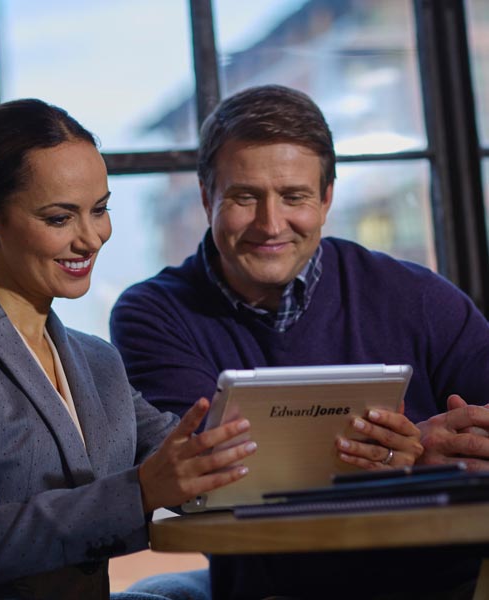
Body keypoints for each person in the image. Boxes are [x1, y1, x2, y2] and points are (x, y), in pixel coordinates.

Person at [0, 99, 258, 600]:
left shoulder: (98, 362)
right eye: (59, 218)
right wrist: (140, 492)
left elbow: (190, 467)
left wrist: (346, 456)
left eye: (100, 210)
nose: (90, 238)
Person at [110, 85, 489, 599]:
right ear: (206, 197)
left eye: (294, 197)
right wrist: (401, 470)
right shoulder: (154, 315)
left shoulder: (420, 297)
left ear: (327, 198)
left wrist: (454, 457)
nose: (271, 225)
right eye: (245, 197)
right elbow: (206, 477)